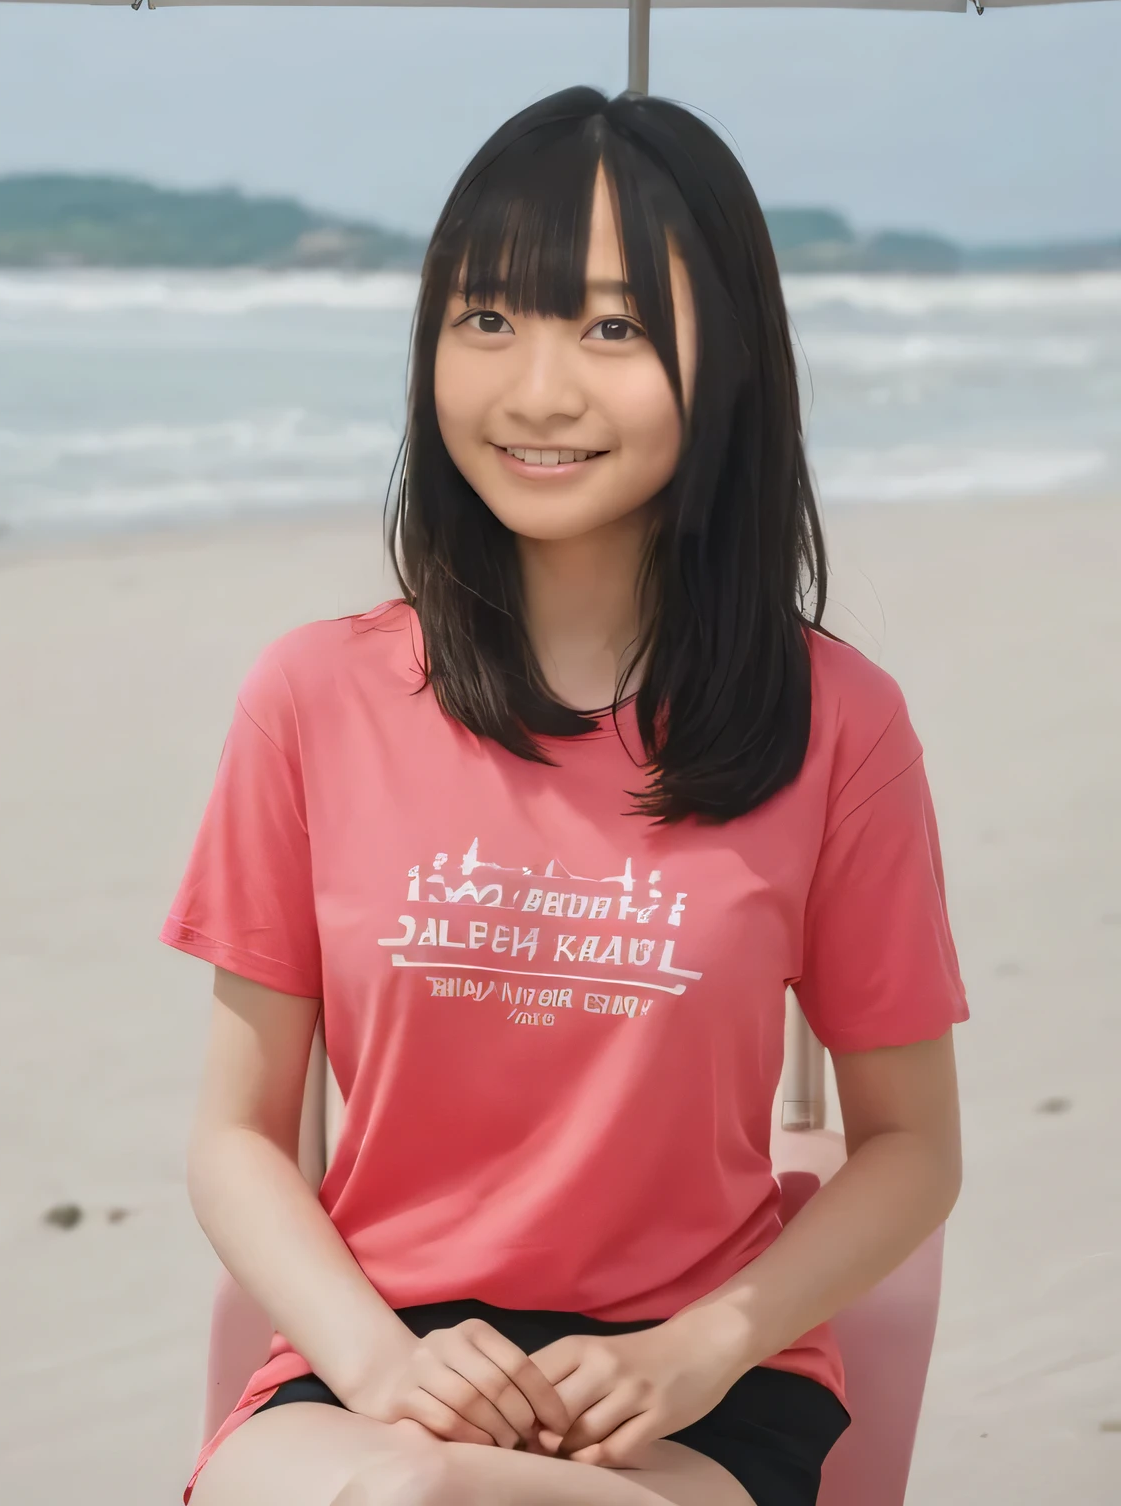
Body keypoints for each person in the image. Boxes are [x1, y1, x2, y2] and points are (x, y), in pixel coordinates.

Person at [159, 86, 968, 1506]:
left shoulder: (836, 723)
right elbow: (238, 1134)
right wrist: (376, 1364)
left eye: (614, 326)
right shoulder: (315, 698)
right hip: (373, 1374)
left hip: (696, 1399)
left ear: (726, 363)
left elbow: (910, 1149)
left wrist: (702, 1348)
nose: (537, 390)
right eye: (488, 319)